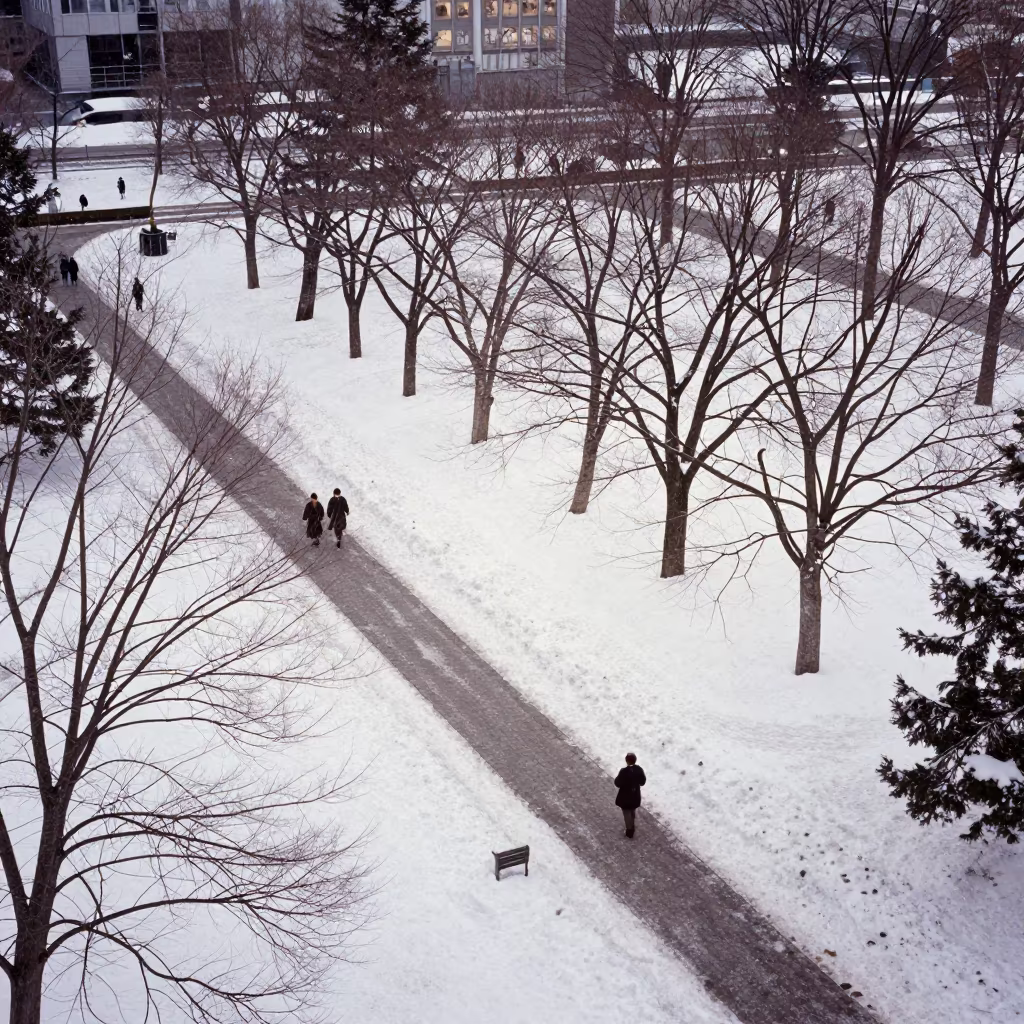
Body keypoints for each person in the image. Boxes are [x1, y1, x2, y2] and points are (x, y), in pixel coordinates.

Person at [614, 752, 646, 839]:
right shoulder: (639, 770)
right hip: (635, 795)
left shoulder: (624, 771)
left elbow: (617, 783)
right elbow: (642, 782)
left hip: (625, 797)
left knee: (626, 812)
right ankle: (632, 825)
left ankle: (629, 830)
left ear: (627, 761)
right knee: (632, 810)